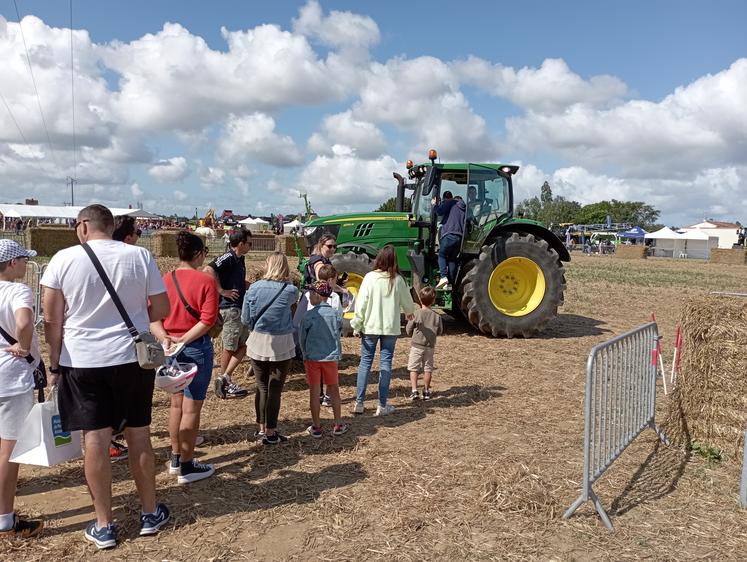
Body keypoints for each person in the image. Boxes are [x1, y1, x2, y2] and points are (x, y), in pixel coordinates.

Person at [41, 204, 171, 550]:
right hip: (131, 358)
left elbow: (52, 320)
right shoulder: (140, 256)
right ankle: (149, 513)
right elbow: (161, 309)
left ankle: (104, 524)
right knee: (139, 433)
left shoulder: (62, 259)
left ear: (83, 226)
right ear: (111, 226)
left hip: (81, 359)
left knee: (94, 440)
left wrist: (54, 364)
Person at [150, 231, 218, 484]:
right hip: (195, 347)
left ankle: (176, 456)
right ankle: (187, 466)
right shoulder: (206, 281)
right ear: (199, 254)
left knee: (176, 405)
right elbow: (208, 320)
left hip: (170, 349)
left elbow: (152, 315)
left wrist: (166, 338)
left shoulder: (165, 279)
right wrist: (185, 339)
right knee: (192, 407)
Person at [0, 240, 43, 539]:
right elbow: (24, 320)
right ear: (12, 263)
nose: (26, 265)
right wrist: (24, 345)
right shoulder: (17, 290)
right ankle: (4, 519)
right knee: (8, 450)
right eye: (24, 260)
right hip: (10, 377)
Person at [350, 245, 415, 416]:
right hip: (390, 328)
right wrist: (409, 313)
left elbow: (361, 303)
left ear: (379, 259)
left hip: (370, 327)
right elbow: (408, 303)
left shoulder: (370, 278)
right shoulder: (398, 280)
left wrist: (357, 324)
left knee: (365, 363)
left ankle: (359, 403)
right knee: (386, 363)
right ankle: (382, 404)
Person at [240, 252, 298, 445]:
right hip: (281, 341)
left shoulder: (254, 288)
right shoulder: (290, 290)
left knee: (261, 386)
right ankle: (272, 432)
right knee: (275, 389)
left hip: (257, 340)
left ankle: (261, 428)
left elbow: (245, 319)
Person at [108, 215, 143, 461]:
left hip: (92, 348)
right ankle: (112, 442)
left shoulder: (81, 258)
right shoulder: (137, 259)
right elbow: (159, 306)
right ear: (129, 237)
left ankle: (108, 443)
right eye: (138, 233)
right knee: (124, 403)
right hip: (125, 343)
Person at [204, 229, 252, 399]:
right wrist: (221, 290)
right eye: (249, 243)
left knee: (245, 345)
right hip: (230, 308)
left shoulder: (240, 259)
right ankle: (223, 380)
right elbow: (209, 269)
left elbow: (234, 279)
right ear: (240, 244)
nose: (250, 246)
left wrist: (249, 285)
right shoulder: (228, 257)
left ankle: (224, 377)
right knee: (230, 347)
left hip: (238, 308)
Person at [299, 280, 348, 438]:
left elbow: (302, 338)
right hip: (330, 357)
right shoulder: (335, 314)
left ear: (317, 295)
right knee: (334, 390)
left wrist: (305, 354)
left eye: (311, 293)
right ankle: (338, 423)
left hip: (313, 358)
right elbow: (339, 330)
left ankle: (317, 426)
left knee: (314, 391)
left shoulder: (309, 315)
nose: (309, 296)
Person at [294, 263, 342, 406]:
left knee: (328, 368)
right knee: (320, 367)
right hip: (319, 338)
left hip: (327, 339)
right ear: (330, 280)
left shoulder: (333, 297)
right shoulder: (312, 295)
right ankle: (320, 393)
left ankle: (327, 394)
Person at [406, 286, 443, 401]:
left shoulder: (416, 314)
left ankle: (414, 390)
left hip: (417, 345)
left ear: (420, 300)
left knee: (414, 368)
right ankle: (426, 391)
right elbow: (440, 331)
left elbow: (408, 330)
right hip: (430, 347)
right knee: (427, 369)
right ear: (433, 300)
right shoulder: (437, 316)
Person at [432, 191, 466, 289]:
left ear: (446, 198)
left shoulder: (451, 202)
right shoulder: (464, 208)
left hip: (449, 235)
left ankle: (443, 277)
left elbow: (439, 211)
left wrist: (434, 204)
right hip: (459, 238)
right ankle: (451, 282)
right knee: (452, 259)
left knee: (441, 255)